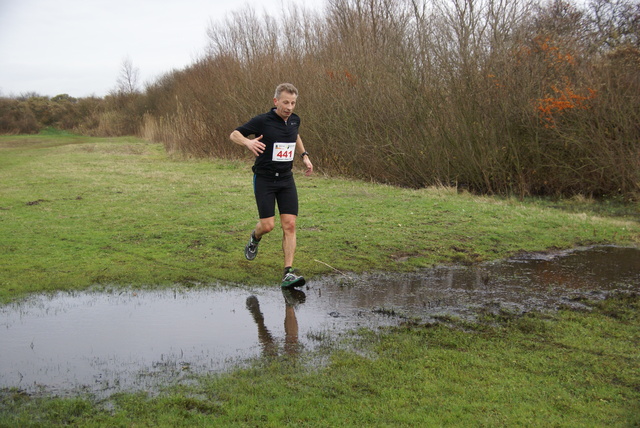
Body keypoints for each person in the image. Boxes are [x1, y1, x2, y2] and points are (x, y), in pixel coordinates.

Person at [230, 83, 313, 288]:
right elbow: (234, 134)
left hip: (286, 179)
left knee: (290, 225)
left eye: (293, 103)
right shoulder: (262, 120)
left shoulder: (294, 120)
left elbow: (295, 135)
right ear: (276, 101)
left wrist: (304, 156)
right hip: (265, 179)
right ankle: (254, 237)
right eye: (285, 102)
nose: (289, 107)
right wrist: (248, 143)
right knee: (268, 226)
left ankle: (288, 273)